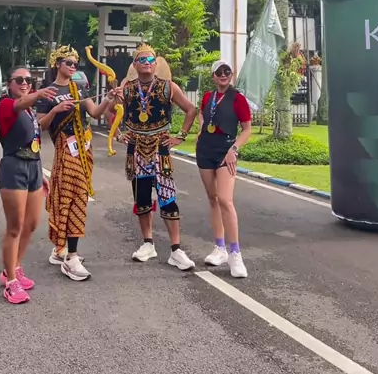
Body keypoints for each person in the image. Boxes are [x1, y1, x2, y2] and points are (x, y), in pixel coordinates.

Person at [112, 44, 197, 270]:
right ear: (135, 64)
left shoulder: (168, 86)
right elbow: (113, 111)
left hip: (160, 148)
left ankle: (176, 249)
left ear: (156, 64)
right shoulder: (127, 89)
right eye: (142, 60)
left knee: (167, 197)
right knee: (141, 199)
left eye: (150, 60)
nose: (147, 63)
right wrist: (118, 133)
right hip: (136, 148)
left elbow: (191, 109)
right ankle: (147, 243)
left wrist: (181, 136)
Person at [36, 45, 114, 282]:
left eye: (75, 64)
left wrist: (109, 98)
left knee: (75, 198)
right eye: (68, 63)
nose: (72, 67)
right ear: (57, 64)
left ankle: (61, 249)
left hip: (84, 150)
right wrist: (56, 110)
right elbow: (40, 125)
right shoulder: (48, 92)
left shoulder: (79, 88)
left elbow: (96, 113)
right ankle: (71, 256)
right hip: (65, 151)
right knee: (74, 198)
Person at [0, 67, 57, 305]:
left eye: (28, 80)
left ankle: (15, 267)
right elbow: (18, 105)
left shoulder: (29, 111)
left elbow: (35, 139)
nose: (24, 83)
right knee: (15, 227)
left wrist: (41, 173)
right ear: (9, 84)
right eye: (19, 79)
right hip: (14, 168)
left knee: (31, 224)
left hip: (33, 168)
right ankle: (10, 281)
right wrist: (39, 94)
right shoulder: (6, 105)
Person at [196, 59, 252, 278]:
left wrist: (234, 150)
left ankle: (235, 254)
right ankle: (219, 248)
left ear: (231, 75)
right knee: (213, 199)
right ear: (213, 76)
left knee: (225, 200)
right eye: (219, 72)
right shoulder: (208, 97)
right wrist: (201, 130)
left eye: (227, 71)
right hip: (205, 150)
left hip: (225, 151)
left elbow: (247, 129)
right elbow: (203, 115)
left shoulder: (238, 99)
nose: (223, 75)